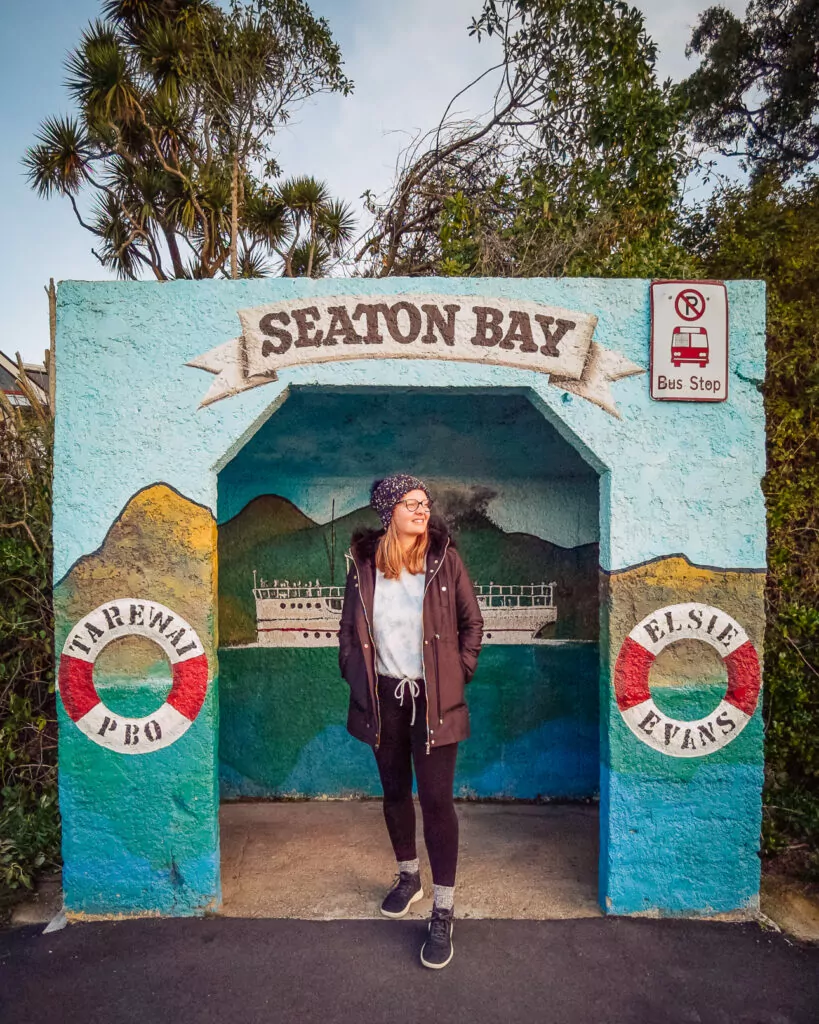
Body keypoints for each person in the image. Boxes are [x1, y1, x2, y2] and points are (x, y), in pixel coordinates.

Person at [338, 474, 483, 969]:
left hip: (434, 701)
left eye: (425, 503)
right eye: (410, 503)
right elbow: (347, 631)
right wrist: (355, 676)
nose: (422, 511)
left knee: (438, 802)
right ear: (388, 512)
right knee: (395, 793)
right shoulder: (363, 567)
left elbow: (472, 624)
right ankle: (408, 877)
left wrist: (458, 674)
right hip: (384, 699)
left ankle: (442, 910)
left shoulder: (444, 561)